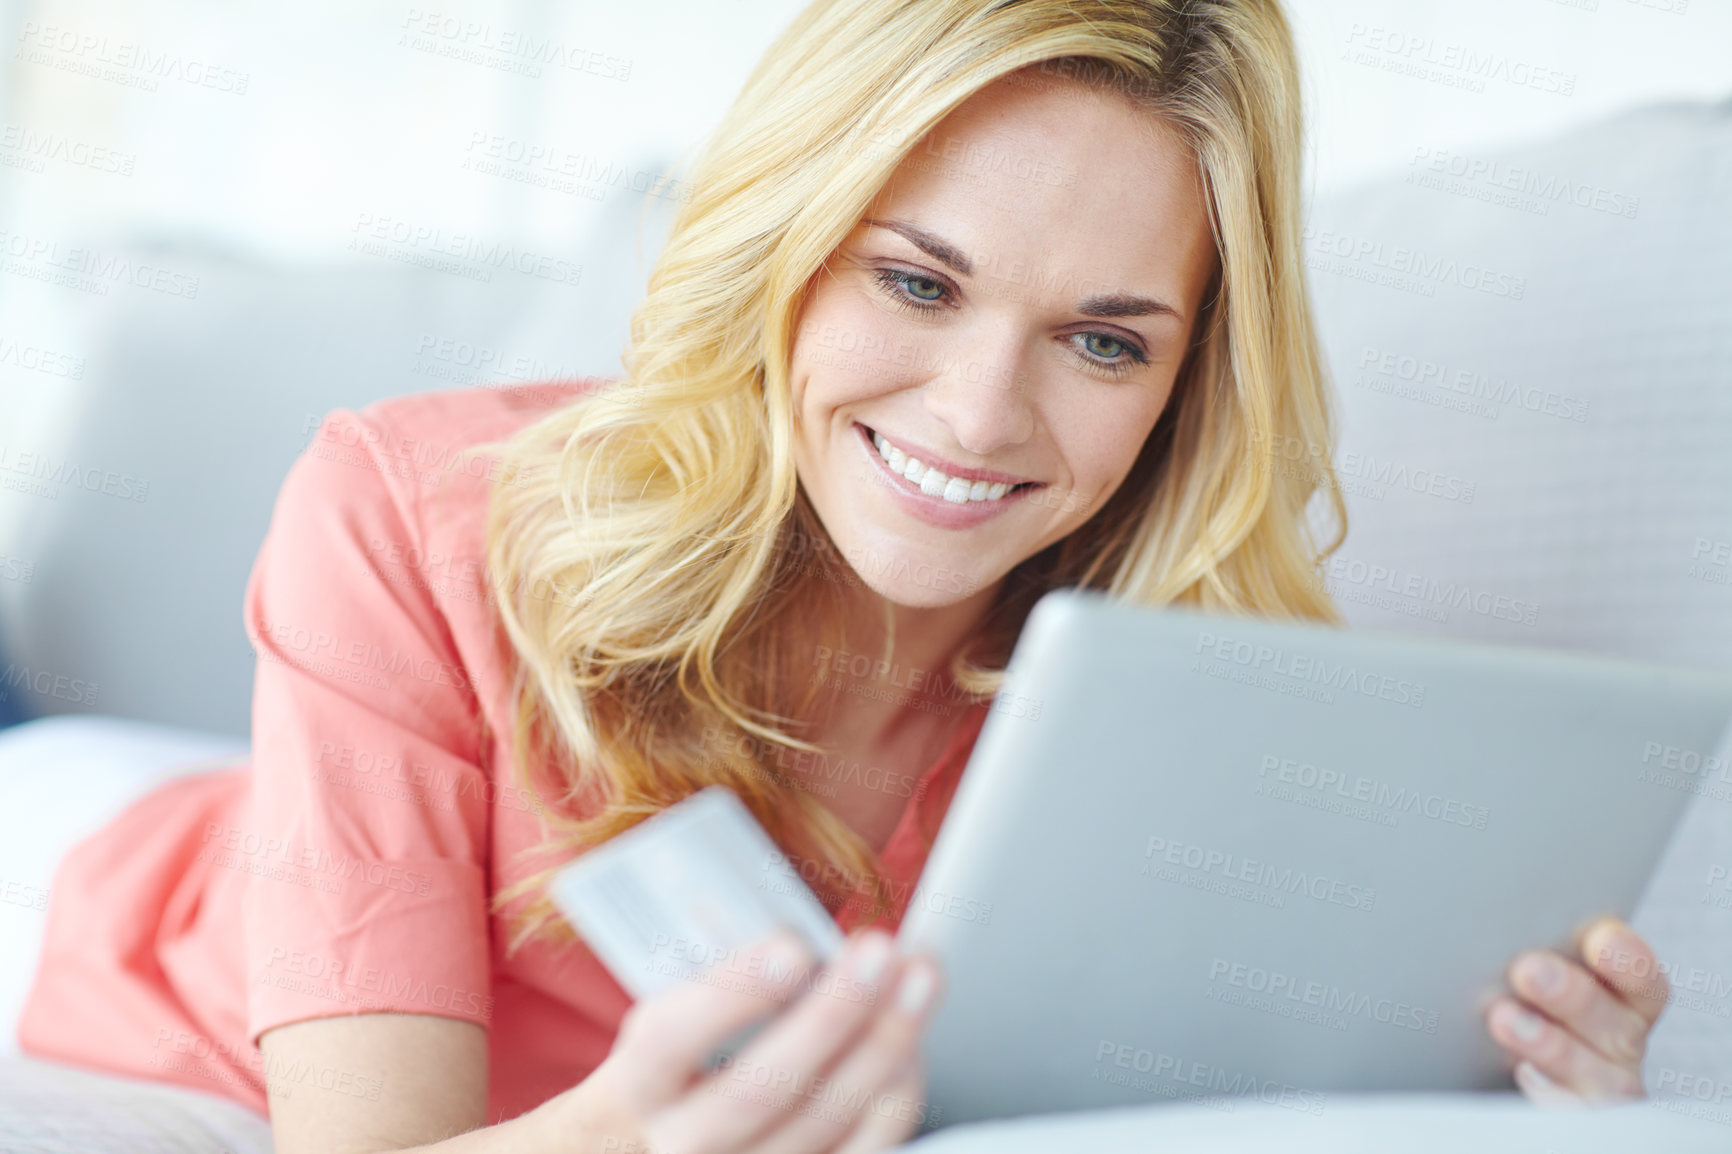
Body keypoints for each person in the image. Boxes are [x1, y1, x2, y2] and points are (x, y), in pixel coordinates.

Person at [18, 0, 1672, 1150]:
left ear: (1187, 383)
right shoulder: (407, 506)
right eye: (918, 281)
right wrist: (636, 1137)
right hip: (122, 862)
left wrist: (1518, 1082)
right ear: (787, 248)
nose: (979, 417)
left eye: (1103, 338)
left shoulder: (1178, 704)